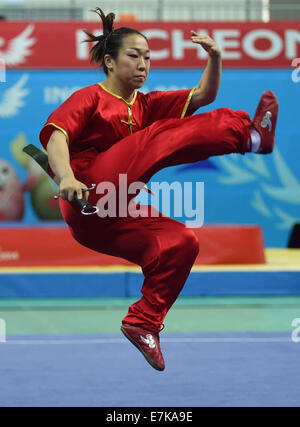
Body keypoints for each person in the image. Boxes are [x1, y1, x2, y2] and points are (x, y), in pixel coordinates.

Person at [39, 7, 278, 371]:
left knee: (181, 241)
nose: (143, 64)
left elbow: (202, 96)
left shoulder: (147, 105)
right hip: (87, 193)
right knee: (157, 136)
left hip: (113, 216)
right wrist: (67, 177)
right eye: (133, 56)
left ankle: (143, 321)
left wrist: (215, 57)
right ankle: (250, 136)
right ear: (108, 61)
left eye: (148, 58)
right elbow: (57, 136)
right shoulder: (91, 97)